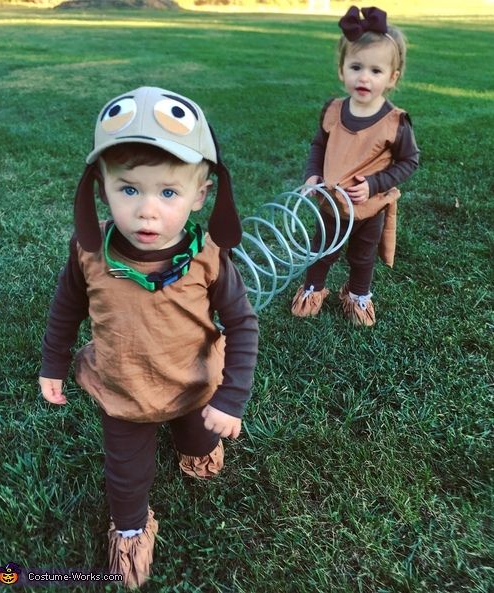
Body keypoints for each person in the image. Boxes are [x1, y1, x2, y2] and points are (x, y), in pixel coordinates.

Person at [39, 86, 258, 589]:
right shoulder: (88, 252)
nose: (147, 212)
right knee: (126, 476)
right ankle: (132, 532)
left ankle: (197, 447)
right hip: (124, 390)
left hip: (194, 386)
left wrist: (231, 398)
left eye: (168, 192)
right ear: (102, 187)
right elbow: (66, 309)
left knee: (197, 441)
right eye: (129, 189)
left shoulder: (208, 257)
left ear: (201, 195)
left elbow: (243, 324)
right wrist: (53, 363)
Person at [291, 5, 419, 326]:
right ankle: (313, 289)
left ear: (392, 78)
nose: (364, 77)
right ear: (341, 70)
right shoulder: (333, 110)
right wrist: (312, 174)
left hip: (368, 208)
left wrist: (374, 184)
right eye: (356, 67)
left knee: (362, 257)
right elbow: (319, 145)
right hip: (331, 202)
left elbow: (409, 161)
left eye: (376, 71)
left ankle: (357, 295)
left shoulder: (395, 122)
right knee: (323, 249)